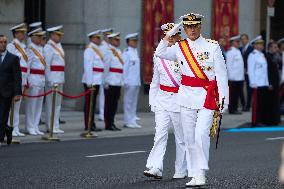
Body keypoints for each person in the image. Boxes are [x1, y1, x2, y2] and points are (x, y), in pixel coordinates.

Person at [155, 13, 229, 187]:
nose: (192, 29)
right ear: (184, 28)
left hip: (206, 97)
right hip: (186, 97)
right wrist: (173, 29)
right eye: (188, 26)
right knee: (189, 138)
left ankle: (201, 174)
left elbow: (221, 74)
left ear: (200, 26)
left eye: (195, 26)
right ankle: (194, 174)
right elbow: (160, 52)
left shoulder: (212, 46)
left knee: (201, 134)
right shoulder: (180, 47)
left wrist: (224, 99)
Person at [143, 23, 187, 180]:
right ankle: (156, 167)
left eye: (174, 36)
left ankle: (181, 169)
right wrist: (152, 100)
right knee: (160, 134)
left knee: (181, 137)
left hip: (178, 100)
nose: (171, 39)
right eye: (168, 36)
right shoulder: (158, 55)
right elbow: (155, 80)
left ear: (178, 37)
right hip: (162, 99)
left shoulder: (183, 53)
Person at [7, 23, 29, 137]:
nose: (23, 34)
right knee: (11, 107)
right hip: (15, 79)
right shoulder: (11, 46)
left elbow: (27, 64)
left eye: (24, 32)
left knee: (17, 107)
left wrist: (27, 79)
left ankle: (15, 128)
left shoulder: (24, 46)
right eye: (21, 32)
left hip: (22, 78)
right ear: (16, 33)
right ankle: (10, 128)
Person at [0, 35, 22, 145]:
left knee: (3, 115)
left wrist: (18, 93)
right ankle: (8, 130)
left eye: (5, 42)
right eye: (1, 42)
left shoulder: (13, 58)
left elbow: (17, 77)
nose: (3, 44)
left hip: (6, 92)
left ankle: (0, 138)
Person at [82, 30, 104, 132]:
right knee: (89, 104)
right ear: (91, 38)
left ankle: (92, 123)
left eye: (100, 38)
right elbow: (88, 67)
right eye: (97, 38)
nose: (99, 39)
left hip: (97, 80)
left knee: (93, 103)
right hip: (91, 81)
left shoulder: (96, 49)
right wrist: (89, 82)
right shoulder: (89, 50)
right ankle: (88, 125)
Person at [25, 28, 46, 135]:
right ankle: (30, 126)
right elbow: (27, 65)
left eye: (41, 36)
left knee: (39, 104)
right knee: (32, 104)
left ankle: (36, 125)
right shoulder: (30, 49)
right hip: (33, 77)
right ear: (32, 37)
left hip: (41, 78)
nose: (40, 38)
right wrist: (27, 80)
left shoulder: (41, 48)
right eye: (38, 37)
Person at [44, 25, 65, 134]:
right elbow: (47, 65)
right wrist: (49, 79)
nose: (59, 37)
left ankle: (55, 125)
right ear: (52, 35)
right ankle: (50, 126)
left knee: (57, 104)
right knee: (50, 104)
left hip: (60, 78)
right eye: (57, 35)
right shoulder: (48, 47)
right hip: (52, 79)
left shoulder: (59, 46)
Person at [247, 36, 270, 126]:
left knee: (261, 104)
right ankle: (255, 121)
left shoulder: (261, 54)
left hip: (263, 83)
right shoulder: (252, 55)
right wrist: (253, 83)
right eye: (259, 44)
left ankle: (260, 120)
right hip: (256, 83)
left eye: (262, 44)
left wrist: (266, 82)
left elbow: (264, 71)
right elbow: (251, 70)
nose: (261, 46)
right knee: (256, 104)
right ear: (255, 45)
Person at [103, 32, 123, 131]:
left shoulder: (119, 51)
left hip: (118, 81)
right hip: (110, 81)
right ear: (110, 40)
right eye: (116, 39)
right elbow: (106, 67)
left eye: (118, 39)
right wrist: (105, 81)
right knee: (109, 104)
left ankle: (112, 122)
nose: (118, 41)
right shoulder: (108, 51)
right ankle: (108, 123)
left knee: (114, 104)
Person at [122, 33, 141, 128]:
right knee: (128, 102)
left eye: (136, 41)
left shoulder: (135, 52)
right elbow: (124, 68)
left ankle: (132, 119)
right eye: (133, 41)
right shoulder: (126, 53)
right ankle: (127, 121)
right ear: (128, 42)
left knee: (134, 103)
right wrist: (124, 80)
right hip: (129, 81)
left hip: (136, 81)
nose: (135, 43)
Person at [226, 35, 245, 114]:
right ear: (232, 43)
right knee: (232, 95)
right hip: (233, 78)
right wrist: (230, 77)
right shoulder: (230, 52)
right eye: (237, 42)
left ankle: (235, 108)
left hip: (239, 77)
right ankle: (232, 109)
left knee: (236, 94)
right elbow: (229, 65)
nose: (238, 43)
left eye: (238, 42)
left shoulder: (238, 51)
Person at [98, 28, 113, 121]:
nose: (109, 38)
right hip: (102, 72)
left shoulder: (110, 47)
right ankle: (101, 112)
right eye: (107, 36)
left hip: (109, 73)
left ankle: (105, 112)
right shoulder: (102, 47)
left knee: (106, 94)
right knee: (102, 94)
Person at [265, 41, 280, 125]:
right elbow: (267, 72)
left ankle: (275, 119)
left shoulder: (274, 56)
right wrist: (269, 83)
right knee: (271, 102)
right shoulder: (267, 56)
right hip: (271, 83)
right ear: (270, 48)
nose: (276, 49)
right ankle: (271, 120)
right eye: (275, 47)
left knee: (275, 101)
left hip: (276, 82)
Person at [240, 34, 254, 111]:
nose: (243, 41)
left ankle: (248, 106)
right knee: (240, 89)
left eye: (244, 39)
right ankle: (243, 104)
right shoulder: (240, 49)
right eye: (242, 39)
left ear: (247, 39)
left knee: (249, 89)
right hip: (241, 73)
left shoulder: (251, 49)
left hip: (249, 72)